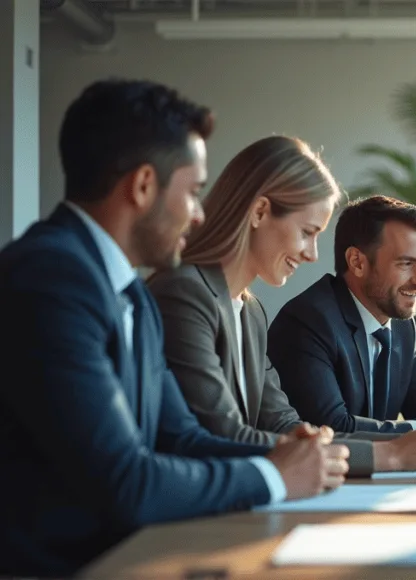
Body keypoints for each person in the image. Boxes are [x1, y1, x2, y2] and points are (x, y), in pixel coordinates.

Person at [0, 80, 346, 577]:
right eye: (193, 191)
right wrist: (273, 475)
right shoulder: (50, 279)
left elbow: (182, 436)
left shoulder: (131, 292)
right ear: (143, 186)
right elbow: (127, 482)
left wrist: (287, 453)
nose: (201, 213)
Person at [148, 137, 416, 475]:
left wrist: (308, 441)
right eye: (306, 232)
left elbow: (283, 423)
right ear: (259, 212)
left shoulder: (250, 312)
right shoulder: (184, 294)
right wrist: (390, 456)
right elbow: (222, 435)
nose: (312, 254)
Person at [267, 195, 416, 444]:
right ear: (357, 262)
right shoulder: (307, 322)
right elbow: (331, 428)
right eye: (406, 263)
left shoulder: (399, 326)